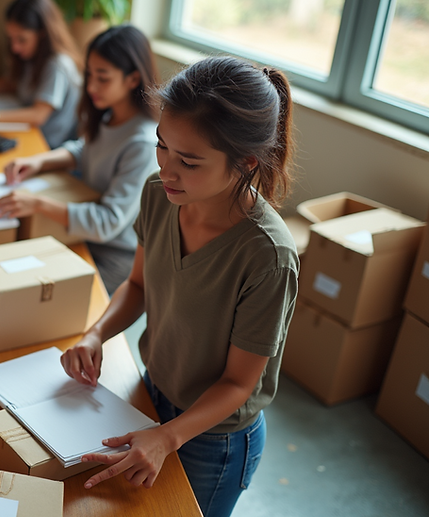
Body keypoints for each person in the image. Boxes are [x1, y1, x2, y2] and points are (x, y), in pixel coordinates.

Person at [60, 56, 298, 517]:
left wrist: (169, 437)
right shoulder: (158, 193)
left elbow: (238, 383)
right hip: (154, 391)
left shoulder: (267, 256)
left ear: (246, 162)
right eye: (161, 146)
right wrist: (95, 334)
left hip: (216, 438)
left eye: (188, 162)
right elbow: (136, 285)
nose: (167, 170)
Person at [0, 25, 159, 295]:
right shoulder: (109, 115)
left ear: (132, 79)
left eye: (103, 78)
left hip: (113, 254)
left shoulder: (142, 143)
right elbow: (86, 150)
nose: (91, 86)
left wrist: (38, 203)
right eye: (89, 75)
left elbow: (107, 222)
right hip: (80, 234)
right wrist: (39, 162)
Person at [0, 0, 81, 148]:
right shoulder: (31, 57)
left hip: (45, 145)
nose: (15, 47)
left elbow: (38, 115)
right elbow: (14, 83)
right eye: (11, 39)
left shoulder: (58, 65)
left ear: (43, 33)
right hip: (25, 133)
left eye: (22, 39)